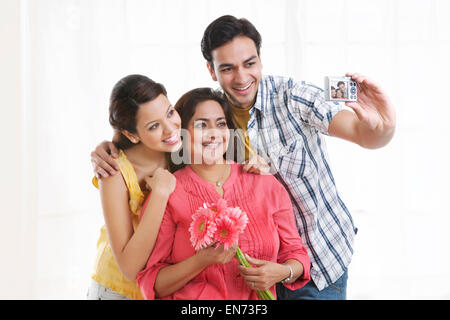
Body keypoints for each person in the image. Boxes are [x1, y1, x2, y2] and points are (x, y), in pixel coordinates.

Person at [91, 15, 396, 300]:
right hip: (150, 283)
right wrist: (109, 145)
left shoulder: (293, 97)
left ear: (261, 60)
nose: (241, 77)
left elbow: (363, 133)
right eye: (227, 68)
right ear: (212, 70)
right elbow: (159, 124)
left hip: (319, 257)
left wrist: (383, 127)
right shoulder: (200, 127)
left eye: (249, 63)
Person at [136, 88, 311, 300]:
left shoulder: (265, 183)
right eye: (202, 125)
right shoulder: (169, 193)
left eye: (221, 124)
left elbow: (296, 254)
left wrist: (283, 272)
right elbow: (152, 283)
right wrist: (202, 260)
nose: (214, 133)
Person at [87, 74, 182, 299]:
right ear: (131, 134)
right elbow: (129, 268)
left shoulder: (180, 148)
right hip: (119, 291)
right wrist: (159, 193)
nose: (170, 129)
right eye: (154, 126)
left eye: (170, 112)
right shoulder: (114, 172)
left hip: (162, 286)